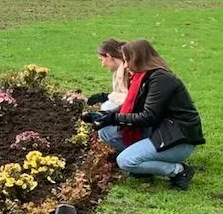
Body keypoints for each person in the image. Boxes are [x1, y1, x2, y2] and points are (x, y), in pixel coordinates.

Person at [87, 39, 205, 190]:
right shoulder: (144, 78)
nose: (126, 65)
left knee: (125, 161)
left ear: (137, 59)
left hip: (177, 140)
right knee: (107, 131)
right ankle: (144, 165)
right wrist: (105, 115)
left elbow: (148, 117)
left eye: (127, 60)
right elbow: (133, 108)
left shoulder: (161, 80)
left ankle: (179, 170)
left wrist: (113, 118)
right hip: (159, 132)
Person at [86, 38, 128, 111]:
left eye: (102, 60)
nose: (102, 65)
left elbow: (129, 98)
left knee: (108, 106)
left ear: (109, 56)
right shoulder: (119, 73)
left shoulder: (128, 73)